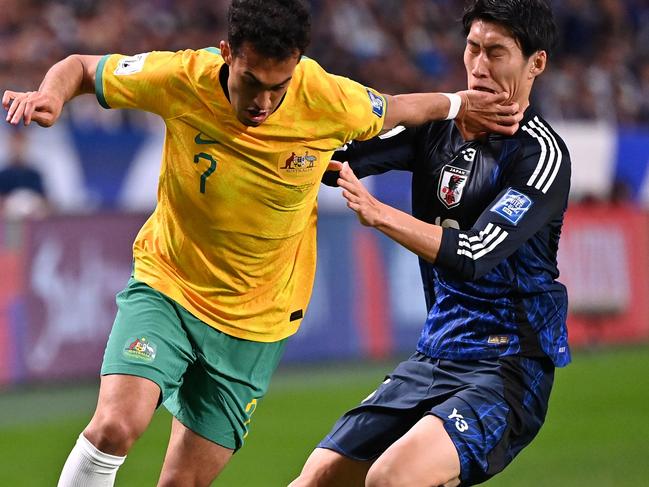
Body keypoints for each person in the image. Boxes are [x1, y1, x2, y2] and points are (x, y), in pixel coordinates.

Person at [3, 1, 523, 486]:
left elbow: (396, 108)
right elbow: (78, 66)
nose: (265, 102)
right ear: (228, 54)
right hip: (170, 284)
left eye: (280, 86)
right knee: (115, 425)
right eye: (253, 83)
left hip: (258, 322)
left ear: (296, 64)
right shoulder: (183, 76)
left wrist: (458, 104)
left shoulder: (325, 96)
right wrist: (49, 94)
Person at [290, 1, 571, 486]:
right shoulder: (436, 129)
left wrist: (380, 216)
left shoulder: (540, 156)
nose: (479, 67)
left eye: (497, 53)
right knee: (317, 478)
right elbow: (331, 155)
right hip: (434, 355)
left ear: (535, 64)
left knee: (390, 479)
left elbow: (475, 254)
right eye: (473, 49)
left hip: (506, 368)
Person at [0, 128, 49, 218]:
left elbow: (45, 202)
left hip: (32, 221)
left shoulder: (34, 175)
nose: (18, 148)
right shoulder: (3, 175)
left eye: (21, 144)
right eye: (15, 144)